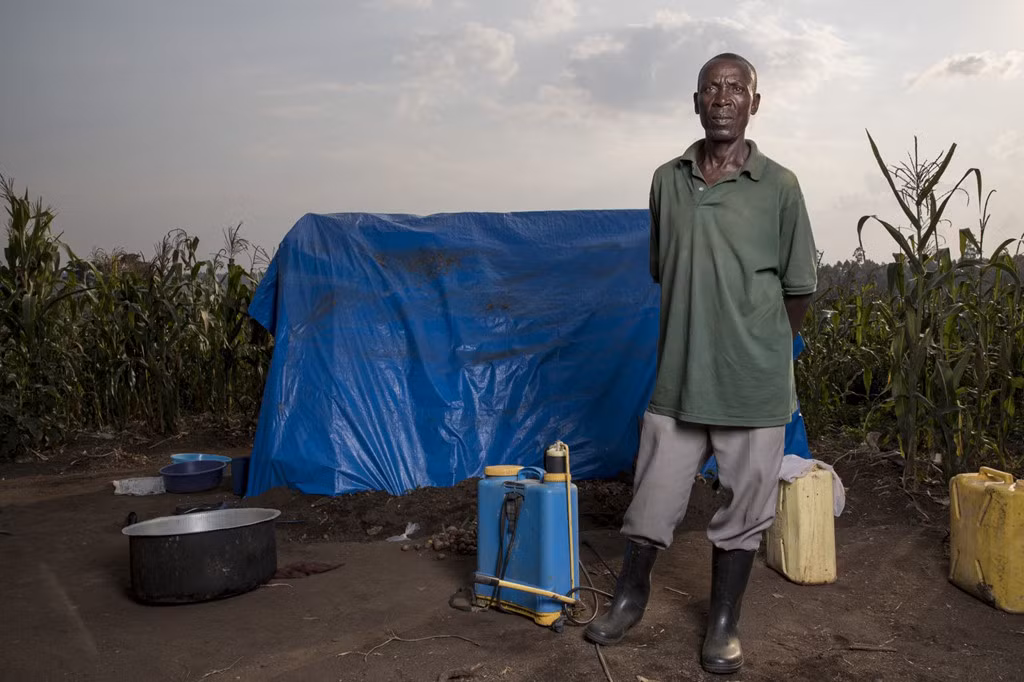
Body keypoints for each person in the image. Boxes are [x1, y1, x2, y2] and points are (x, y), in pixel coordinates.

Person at [584, 53, 817, 675]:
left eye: (736, 88)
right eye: (712, 88)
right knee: (653, 499)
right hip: (681, 379)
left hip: (753, 385)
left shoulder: (781, 186)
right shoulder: (667, 180)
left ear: (754, 104)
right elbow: (669, 267)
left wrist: (761, 349)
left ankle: (723, 622)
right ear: (695, 102)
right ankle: (631, 595)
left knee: (744, 511)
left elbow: (799, 289)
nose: (723, 97)